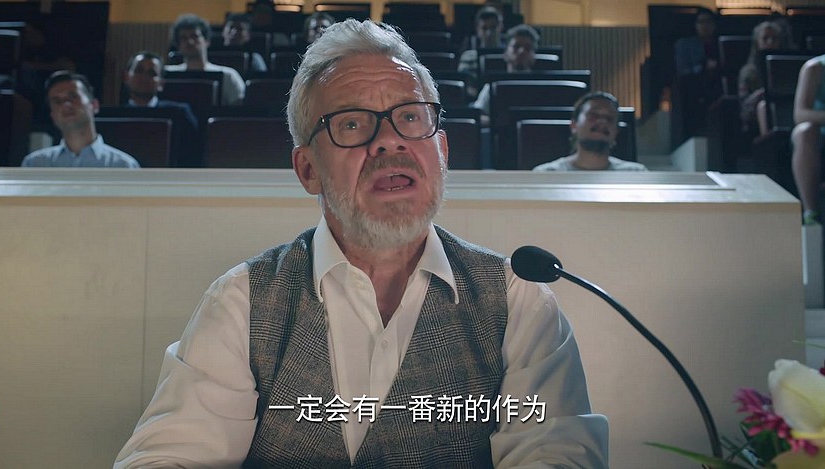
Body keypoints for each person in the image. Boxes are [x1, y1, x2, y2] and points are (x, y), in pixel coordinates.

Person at [114, 18, 608, 468]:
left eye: (410, 117)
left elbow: (557, 453)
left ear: (442, 150)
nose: (389, 141)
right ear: (308, 169)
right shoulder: (241, 302)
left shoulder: (519, 302)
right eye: (351, 123)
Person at [21, 70, 139, 168]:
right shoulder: (34, 165)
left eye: (73, 97)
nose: (66, 105)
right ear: (52, 115)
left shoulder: (124, 166)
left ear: (94, 105)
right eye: (57, 101)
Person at [122, 51, 201, 167]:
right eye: (138, 71)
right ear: (126, 77)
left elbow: (194, 153)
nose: (144, 77)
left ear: (161, 83)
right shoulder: (115, 117)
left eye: (152, 73)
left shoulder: (180, 114)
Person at [533, 91, 647, 171]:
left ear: (616, 131)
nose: (602, 122)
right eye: (593, 115)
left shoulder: (636, 173)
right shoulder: (546, 173)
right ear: (574, 126)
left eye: (609, 118)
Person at [166, 13, 246, 106]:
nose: (190, 42)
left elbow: (240, 109)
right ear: (178, 45)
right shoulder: (166, 75)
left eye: (195, 36)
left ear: (206, 41)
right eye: (184, 38)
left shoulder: (228, 76)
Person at [471, 24, 539, 124]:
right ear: (506, 53)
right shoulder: (493, 87)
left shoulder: (543, 87)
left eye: (527, 48)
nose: (521, 51)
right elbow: (477, 116)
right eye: (516, 47)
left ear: (534, 55)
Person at [673, 7, 722, 138]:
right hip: (694, 92)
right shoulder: (685, 45)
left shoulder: (720, 44)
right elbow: (683, 71)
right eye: (701, 22)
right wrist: (704, 67)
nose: (705, 26)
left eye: (708, 22)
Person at [791, 54, 825, 225]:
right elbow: (800, 114)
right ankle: (811, 214)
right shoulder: (815, 68)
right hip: (820, 133)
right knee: (804, 132)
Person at [738, 21, 785, 135]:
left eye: (774, 39)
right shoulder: (748, 72)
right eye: (765, 38)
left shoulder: (787, 68)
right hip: (755, 121)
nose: (770, 42)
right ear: (757, 42)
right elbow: (744, 107)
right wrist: (762, 94)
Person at [457, 5, 505, 85]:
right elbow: (465, 85)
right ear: (478, 30)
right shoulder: (468, 57)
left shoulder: (509, 56)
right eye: (484, 28)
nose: (489, 33)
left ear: (500, 28)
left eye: (493, 27)